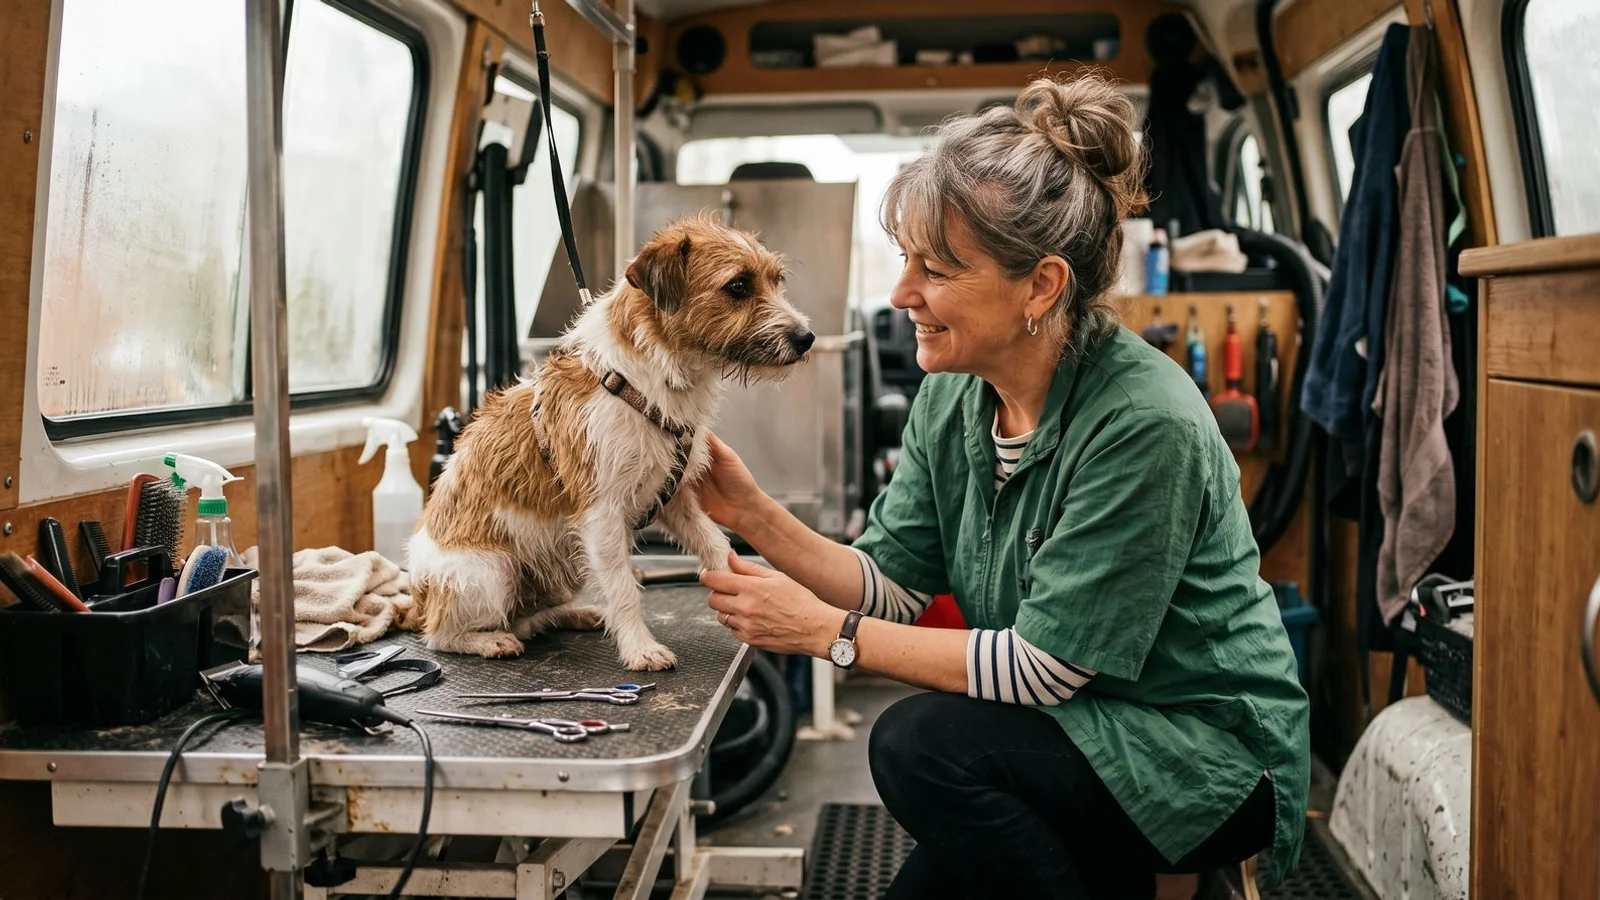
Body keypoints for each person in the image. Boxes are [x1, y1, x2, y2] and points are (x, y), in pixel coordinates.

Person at [695, 72, 1310, 900]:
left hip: (1201, 756)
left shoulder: (1142, 421)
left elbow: (1043, 669)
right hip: (1074, 729)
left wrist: (824, 634)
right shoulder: (953, 392)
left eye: (937, 270)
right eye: (908, 260)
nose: (902, 293)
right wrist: (751, 514)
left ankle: (1178, 880)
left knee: (918, 745)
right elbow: (894, 588)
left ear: (1043, 286)